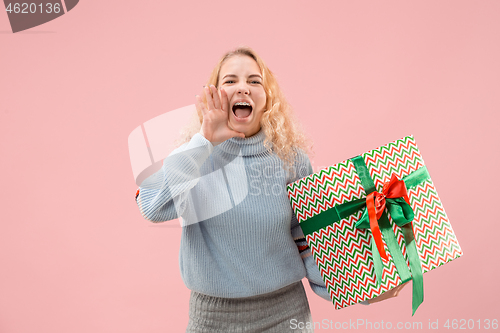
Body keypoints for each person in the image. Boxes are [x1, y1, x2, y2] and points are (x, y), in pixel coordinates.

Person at [135, 47, 406, 332]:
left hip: (286, 315)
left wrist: (364, 290)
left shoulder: (291, 159)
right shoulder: (196, 157)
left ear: (268, 99)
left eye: (255, 81)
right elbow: (152, 206)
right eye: (230, 81)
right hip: (213, 320)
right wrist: (204, 141)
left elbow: (307, 242)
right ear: (213, 96)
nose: (243, 88)